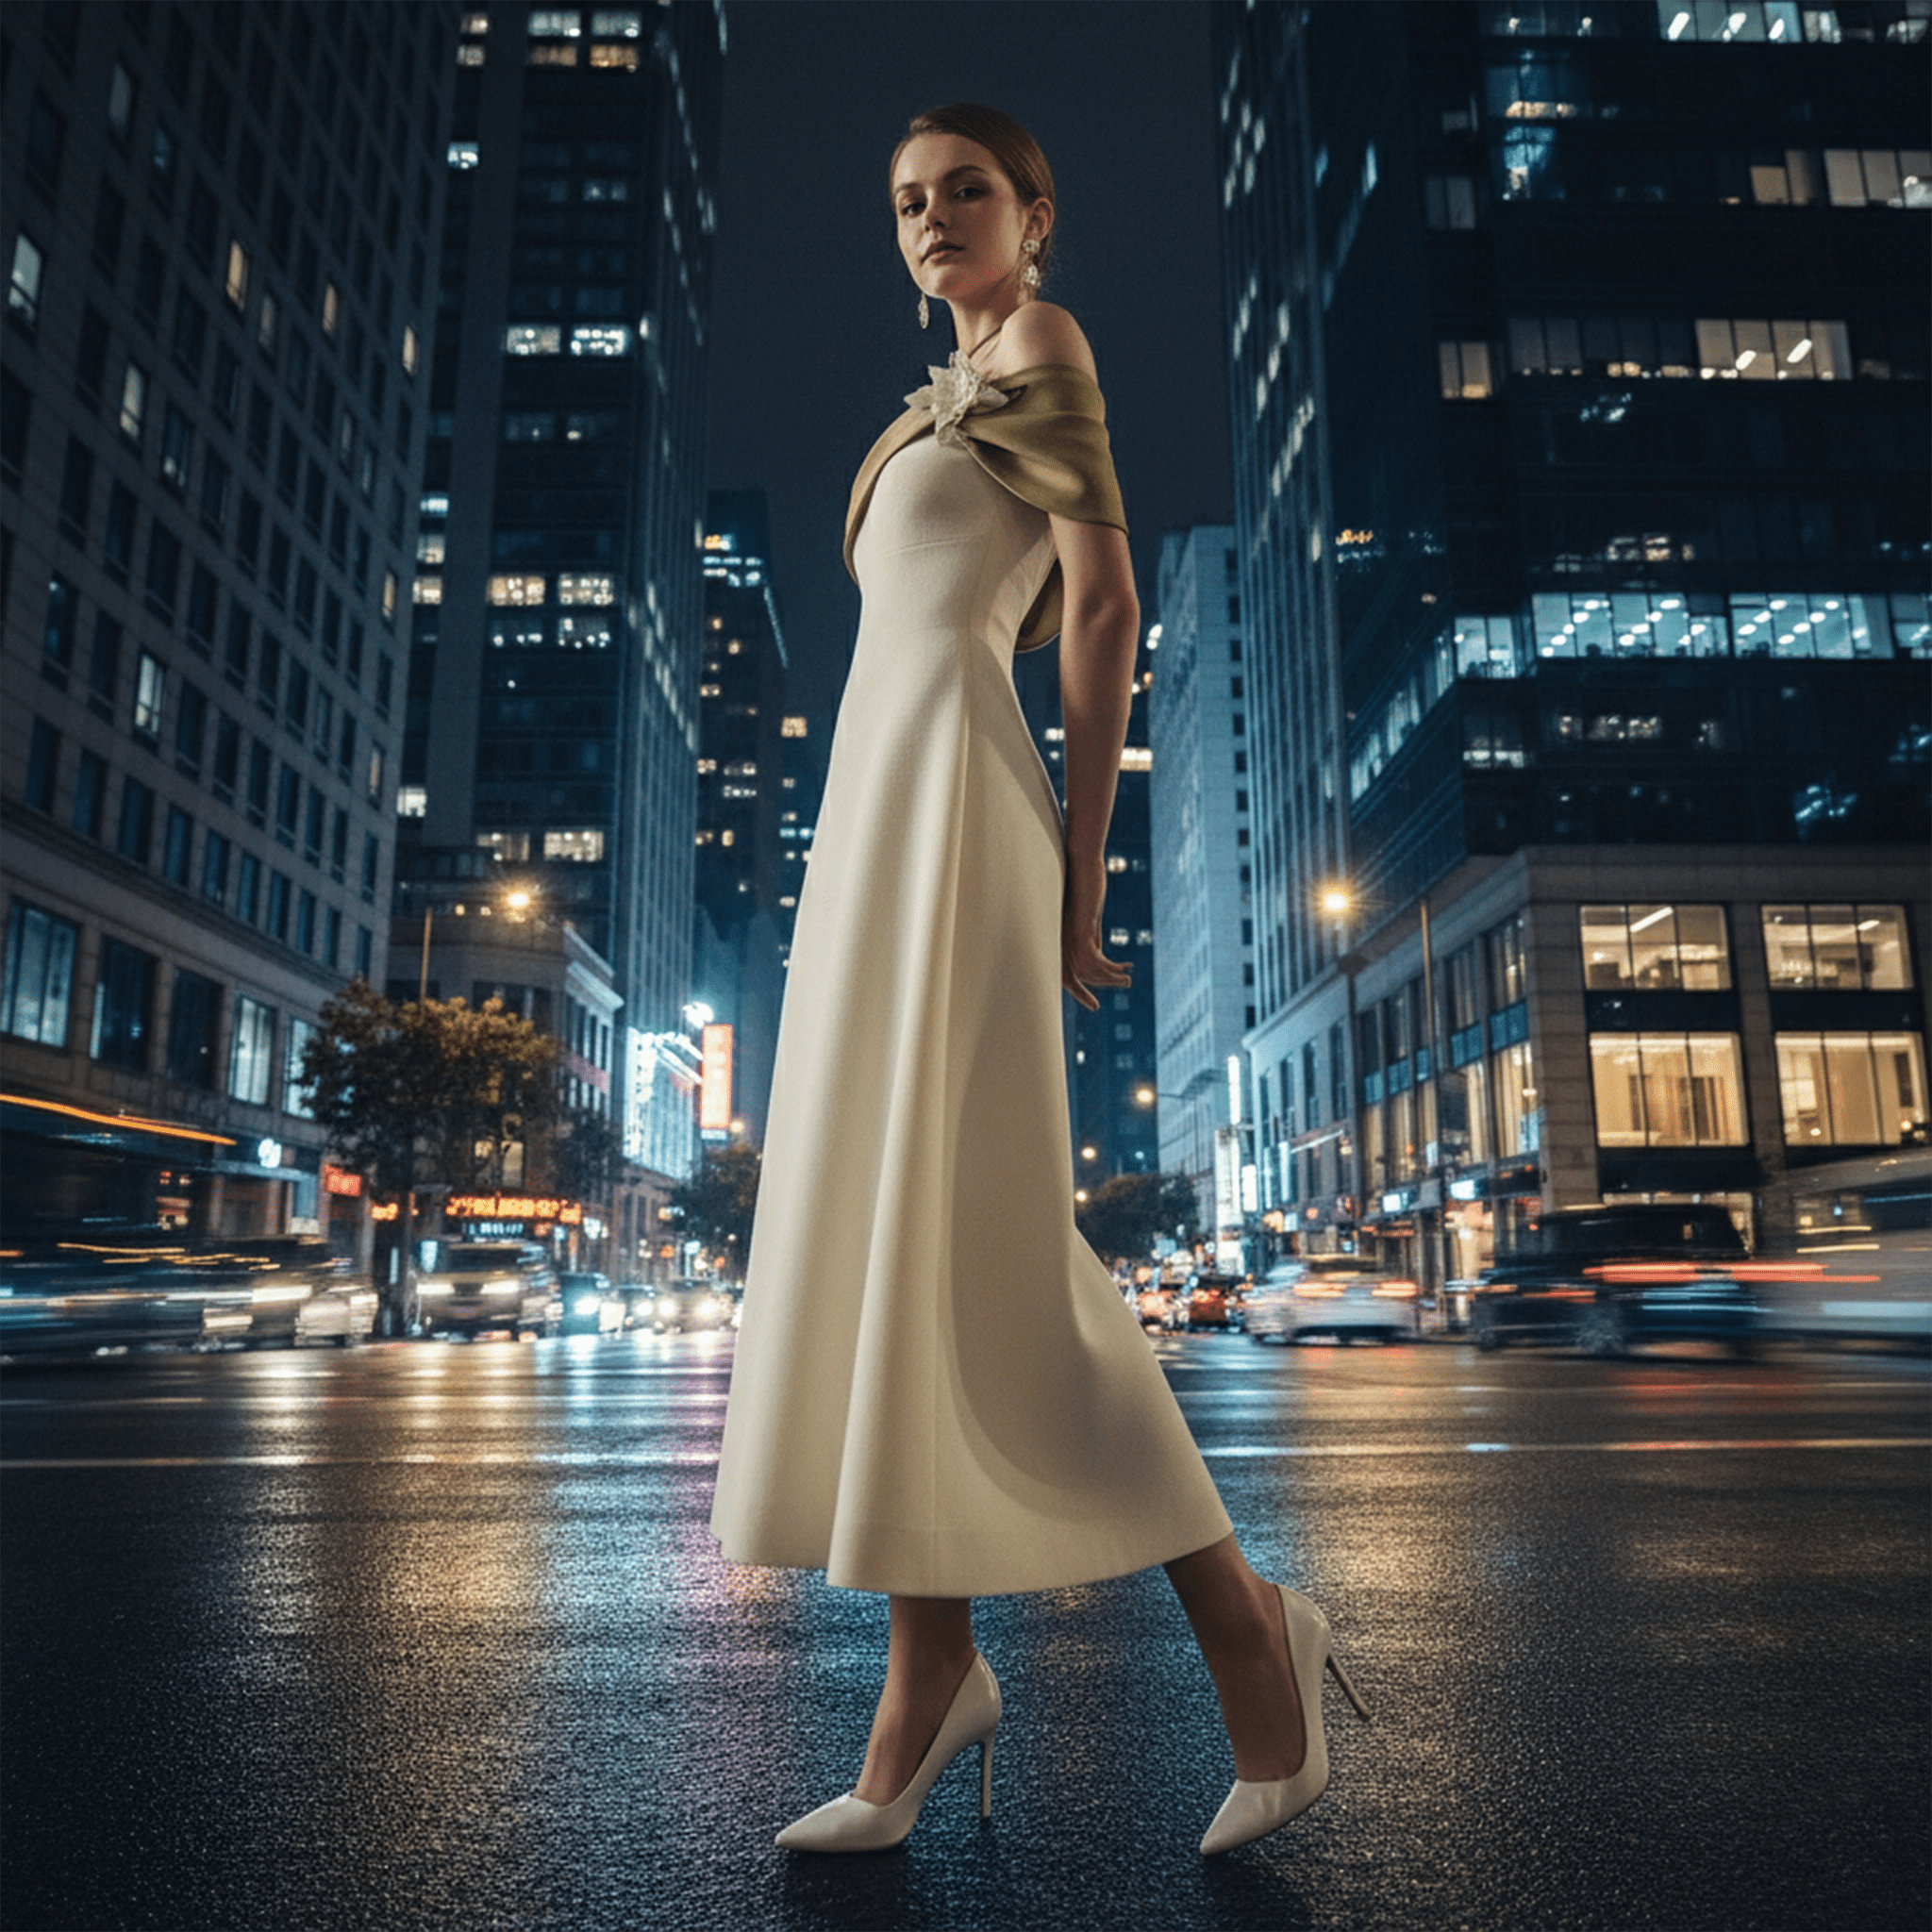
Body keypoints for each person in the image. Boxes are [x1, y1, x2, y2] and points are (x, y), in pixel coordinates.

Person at [708, 102, 1368, 1857]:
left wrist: (1085, 877)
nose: (933, 218)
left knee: (991, 1236)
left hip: (967, 830)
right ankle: (929, 1680)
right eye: (909, 201)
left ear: (1034, 212)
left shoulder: (1041, 344)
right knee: (891, 1236)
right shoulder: (922, 406)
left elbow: (1101, 609)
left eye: (967, 192)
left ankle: (1251, 1637)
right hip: (871, 838)